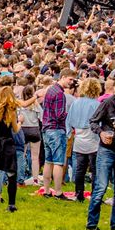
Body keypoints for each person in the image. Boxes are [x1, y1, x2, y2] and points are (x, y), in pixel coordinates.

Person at [86, 77, 115, 230]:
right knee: (101, 187)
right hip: (107, 149)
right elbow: (93, 121)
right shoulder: (108, 103)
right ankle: (92, 224)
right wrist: (101, 133)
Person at [67, 77, 101, 202]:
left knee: (80, 168)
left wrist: (69, 133)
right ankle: (95, 193)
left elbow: (69, 120)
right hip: (93, 137)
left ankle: (79, 192)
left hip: (79, 136)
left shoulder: (76, 102)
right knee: (95, 169)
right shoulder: (96, 104)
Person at [41, 70, 73, 200]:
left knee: (48, 161)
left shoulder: (50, 90)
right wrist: (71, 116)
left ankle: (47, 190)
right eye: (70, 79)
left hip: (46, 129)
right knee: (59, 162)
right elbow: (60, 115)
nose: (71, 82)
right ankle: (58, 192)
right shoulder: (60, 93)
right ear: (63, 77)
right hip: (56, 129)